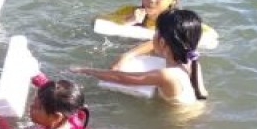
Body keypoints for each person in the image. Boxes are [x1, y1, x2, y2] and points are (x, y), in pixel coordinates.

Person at [73, 8, 208, 105]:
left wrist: (86, 71)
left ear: (162, 42)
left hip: (178, 123)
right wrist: (127, 55)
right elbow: (151, 45)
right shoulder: (192, 62)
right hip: (194, 112)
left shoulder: (167, 75)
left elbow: (121, 78)